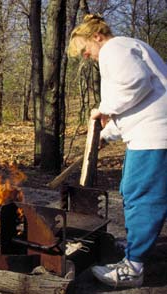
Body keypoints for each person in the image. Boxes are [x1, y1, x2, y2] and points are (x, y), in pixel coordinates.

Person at [68, 14, 167, 288]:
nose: (86, 56)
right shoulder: (129, 47)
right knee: (133, 191)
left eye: (85, 49)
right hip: (150, 132)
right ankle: (137, 245)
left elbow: (136, 84)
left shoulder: (114, 48)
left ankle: (133, 268)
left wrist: (103, 109)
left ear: (96, 37)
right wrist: (106, 135)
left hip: (155, 135)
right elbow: (136, 103)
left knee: (141, 196)